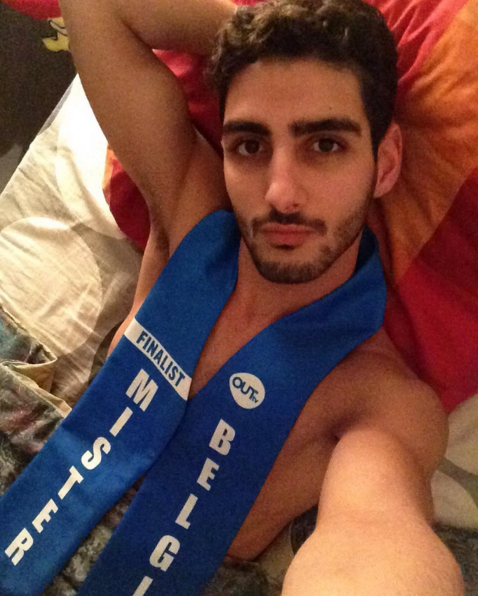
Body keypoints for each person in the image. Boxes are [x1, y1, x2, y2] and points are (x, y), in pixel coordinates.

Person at [56, 0, 463, 594]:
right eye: (250, 145)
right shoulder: (190, 215)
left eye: (325, 145)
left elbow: (377, 542)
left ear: (385, 163)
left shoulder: (377, 400)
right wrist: (263, 43)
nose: (280, 193)